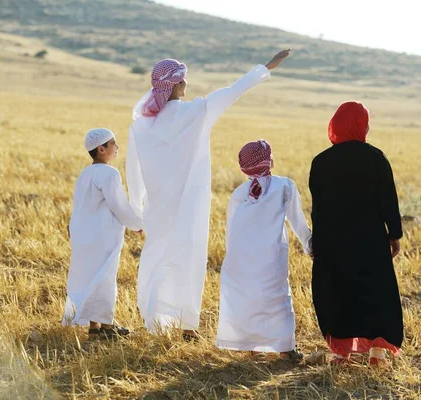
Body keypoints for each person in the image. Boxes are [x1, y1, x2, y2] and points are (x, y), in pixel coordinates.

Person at [126, 50, 291, 339]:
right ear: (177, 85)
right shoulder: (196, 112)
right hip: (188, 204)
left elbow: (133, 168)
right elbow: (231, 92)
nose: (186, 84)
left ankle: (153, 319)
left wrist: (136, 206)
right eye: (183, 80)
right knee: (188, 257)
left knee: (155, 256)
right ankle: (188, 326)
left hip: (156, 205)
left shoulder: (142, 124)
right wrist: (263, 68)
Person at [308, 102, 404, 365]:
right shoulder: (376, 158)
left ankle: (341, 353)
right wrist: (394, 234)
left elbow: (319, 209)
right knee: (375, 291)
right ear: (362, 125)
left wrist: (317, 241)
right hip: (370, 241)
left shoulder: (320, 162)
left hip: (333, 242)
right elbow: (388, 201)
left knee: (338, 291)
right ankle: (376, 352)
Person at [215, 140, 311, 361]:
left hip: (242, 258)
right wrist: (309, 245)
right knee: (277, 299)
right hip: (271, 257)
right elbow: (298, 222)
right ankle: (286, 349)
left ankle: (252, 346)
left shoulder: (239, 193)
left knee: (248, 297)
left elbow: (230, 229)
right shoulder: (285, 185)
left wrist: (233, 258)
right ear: (269, 161)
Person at [63, 128, 144, 339]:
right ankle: (107, 328)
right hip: (102, 235)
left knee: (91, 277)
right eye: (113, 144)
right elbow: (119, 205)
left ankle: (95, 328)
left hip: (82, 234)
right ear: (101, 149)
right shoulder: (109, 173)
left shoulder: (85, 173)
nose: (117, 147)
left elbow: (78, 205)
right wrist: (136, 223)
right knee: (105, 278)